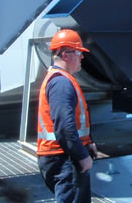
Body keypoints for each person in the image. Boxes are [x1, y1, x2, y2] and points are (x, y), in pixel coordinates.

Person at [37, 29, 98, 203]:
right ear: (65, 55)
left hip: (62, 156)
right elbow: (64, 127)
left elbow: (74, 124)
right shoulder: (61, 83)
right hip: (64, 159)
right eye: (79, 52)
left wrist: (88, 143)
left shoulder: (60, 80)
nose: (82, 57)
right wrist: (82, 156)